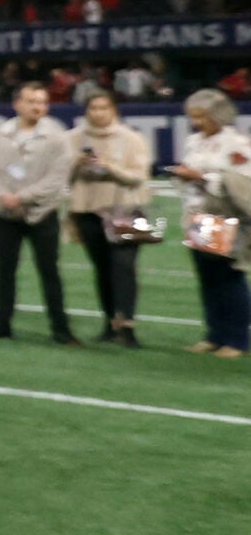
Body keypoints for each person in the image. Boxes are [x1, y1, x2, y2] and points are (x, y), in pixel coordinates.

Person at [0, 81, 78, 345]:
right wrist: (1, 195)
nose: (38, 107)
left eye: (42, 102)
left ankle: (61, 328)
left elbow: (56, 178)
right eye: (32, 101)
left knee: (49, 271)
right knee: (5, 270)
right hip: (4, 214)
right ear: (17, 104)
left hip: (42, 213)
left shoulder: (57, 136)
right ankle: (1, 323)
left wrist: (20, 197)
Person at [168, 88, 251, 358]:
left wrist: (202, 178)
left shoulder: (237, 144)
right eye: (193, 116)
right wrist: (183, 176)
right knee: (208, 278)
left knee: (228, 278)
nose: (196, 122)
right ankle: (214, 334)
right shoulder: (194, 142)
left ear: (218, 115)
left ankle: (237, 339)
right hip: (199, 215)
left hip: (223, 216)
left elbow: (242, 183)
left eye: (201, 116)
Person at [66, 90, 152, 347]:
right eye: (93, 108)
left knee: (125, 267)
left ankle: (127, 325)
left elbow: (138, 176)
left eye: (104, 107)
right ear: (86, 111)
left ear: (114, 110)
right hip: (88, 211)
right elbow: (61, 179)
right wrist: (77, 165)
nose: (99, 113)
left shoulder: (132, 138)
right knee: (102, 269)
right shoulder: (71, 138)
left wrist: (109, 168)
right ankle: (109, 322)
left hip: (127, 209)